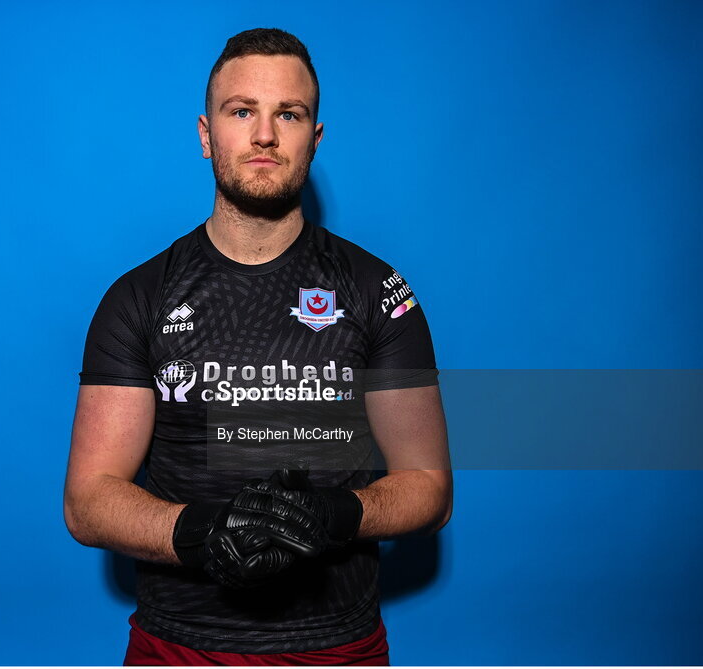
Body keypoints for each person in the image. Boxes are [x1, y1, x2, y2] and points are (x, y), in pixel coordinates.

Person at [64, 27, 452, 666]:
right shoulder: (138, 298)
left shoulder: (380, 291)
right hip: (179, 648)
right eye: (241, 111)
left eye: (289, 114)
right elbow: (88, 500)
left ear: (314, 138)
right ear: (206, 133)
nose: (265, 134)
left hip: (338, 648)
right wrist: (199, 533)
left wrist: (333, 516)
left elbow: (430, 488)